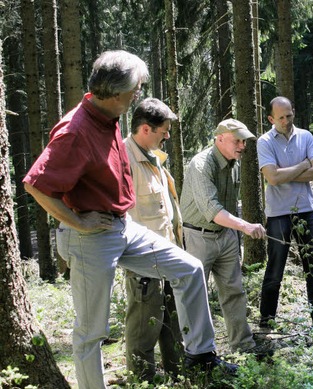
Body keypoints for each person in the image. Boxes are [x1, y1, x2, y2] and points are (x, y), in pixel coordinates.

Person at [23, 50, 237, 389]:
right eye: (136, 87)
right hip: (90, 237)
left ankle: (200, 356)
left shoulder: (108, 116)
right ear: (116, 90)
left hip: (124, 227)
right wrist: (79, 224)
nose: (139, 93)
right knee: (91, 332)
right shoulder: (75, 130)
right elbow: (36, 185)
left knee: (190, 269)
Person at [180, 118, 267, 355]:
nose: (242, 146)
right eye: (237, 141)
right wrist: (245, 227)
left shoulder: (234, 164)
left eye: (244, 142)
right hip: (198, 236)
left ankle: (244, 346)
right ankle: (197, 352)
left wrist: (236, 229)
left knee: (234, 291)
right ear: (220, 139)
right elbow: (212, 210)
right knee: (195, 295)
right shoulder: (201, 165)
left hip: (226, 235)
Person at [123, 98, 183, 380]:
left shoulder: (154, 157)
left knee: (172, 323)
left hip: (168, 255)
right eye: (164, 130)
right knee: (143, 330)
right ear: (146, 129)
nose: (168, 136)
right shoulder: (124, 159)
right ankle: (142, 382)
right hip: (144, 263)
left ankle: (178, 376)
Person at [257, 96, 313, 328]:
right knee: (275, 268)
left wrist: (285, 173)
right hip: (278, 213)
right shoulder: (264, 141)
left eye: (289, 115)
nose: (286, 121)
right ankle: (266, 320)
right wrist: (303, 165)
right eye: (281, 117)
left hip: (307, 210)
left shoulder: (306, 136)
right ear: (271, 118)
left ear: (293, 112)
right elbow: (272, 178)